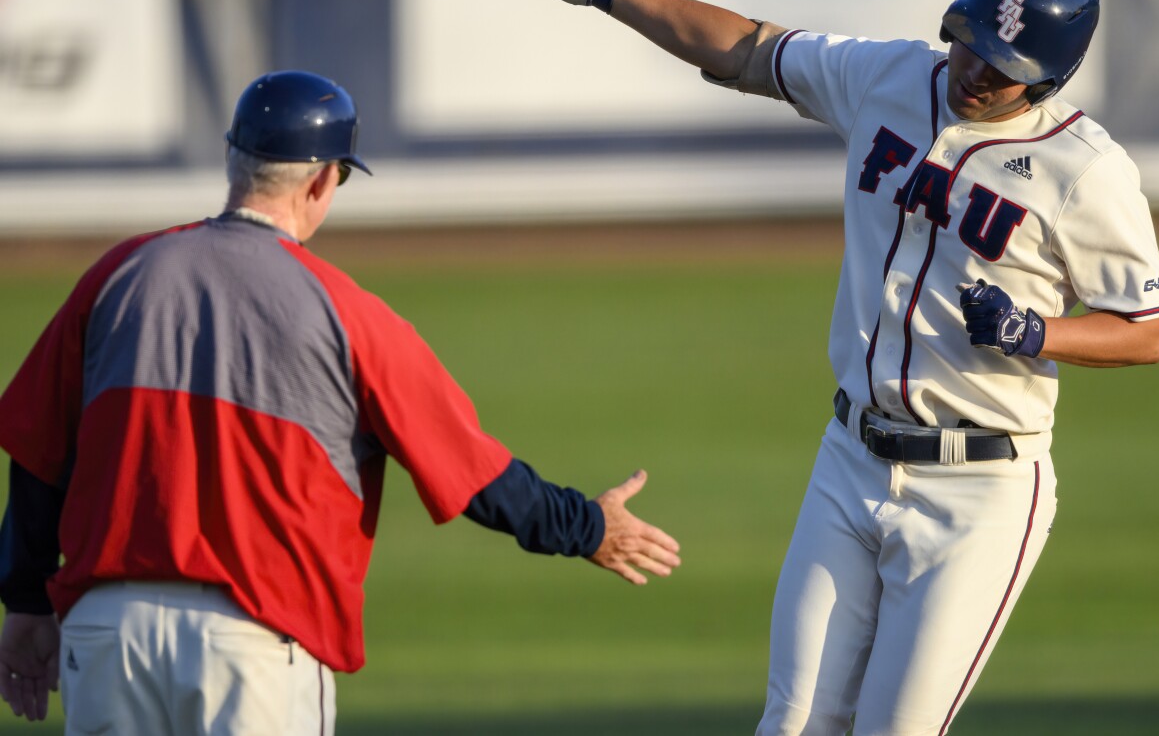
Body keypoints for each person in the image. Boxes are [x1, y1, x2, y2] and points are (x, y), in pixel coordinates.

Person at [491, 0, 1159, 735]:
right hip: (850, 459)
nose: (972, 69)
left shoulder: (1086, 171)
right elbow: (747, 49)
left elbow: (1147, 327)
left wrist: (1039, 334)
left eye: (1001, 65)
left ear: (1048, 77)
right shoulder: (886, 76)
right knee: (792, 724)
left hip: (981, 490)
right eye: (966, 41)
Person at [0, 70, 682, 733]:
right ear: (323, 179)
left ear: (235, 161)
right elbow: (475, 476)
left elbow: (37, 450)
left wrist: (26, 600)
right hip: (254, 644)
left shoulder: (116, 275)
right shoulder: (351, 314)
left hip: (109, 635)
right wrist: (587, 525)